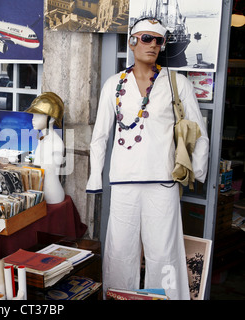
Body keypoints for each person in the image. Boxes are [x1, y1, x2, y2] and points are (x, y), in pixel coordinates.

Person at [85, 18, 209, 300]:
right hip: (124, 181)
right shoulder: (114, 84)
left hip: (163, 181)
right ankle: (118, 297)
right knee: (120, 251)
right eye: (145, 38)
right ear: (132, 42)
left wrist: (197, 171)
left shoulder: (177, 83)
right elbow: (100, 135)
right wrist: (96, 179)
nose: (152, 45)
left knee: (164, 252)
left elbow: (199, 132)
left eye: (158, 40)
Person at [25, 92, 65, 204]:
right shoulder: (42, 139)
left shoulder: (56, 143)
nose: (33, 119)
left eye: (38, 115)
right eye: (33, 115)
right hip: (40, 195)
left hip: (53, 195)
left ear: (51, 119)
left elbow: (50, 173)